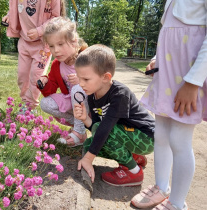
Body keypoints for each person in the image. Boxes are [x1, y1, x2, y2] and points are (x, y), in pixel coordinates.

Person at [131, 0, 207, 209]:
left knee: (179, 140)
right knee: (161, 134)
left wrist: (193, 82)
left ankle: (177, 203)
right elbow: (169, 31)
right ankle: (162, 187)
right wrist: (158, 58)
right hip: (167, 74)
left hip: (188, 77)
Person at [73, 44, 155, 186]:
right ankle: (133, 157)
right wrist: (85, 119)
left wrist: (88, 159)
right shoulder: (92, 96)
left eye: (85, 79)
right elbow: (96, 128)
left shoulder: (120, 94)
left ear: (106, 77)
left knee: (98, 141)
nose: (81, 84)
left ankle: (134, 172)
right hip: (126, 135)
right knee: (88, 145)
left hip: (146, 137)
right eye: (79, 78)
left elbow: (104, 128)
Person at [2, 0, 66, 110]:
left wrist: (40, 31)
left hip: (42, 46)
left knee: (36, 77)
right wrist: (9, 16)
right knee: (22, 75)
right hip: (24, 42)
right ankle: (25, 103)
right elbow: (16, 9)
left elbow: (57, 18)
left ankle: (30, 107)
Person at [37, 17, 88, 147]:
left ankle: (79, 132)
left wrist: (83, 80)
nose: (56, 50)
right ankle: (79, 125)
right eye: (52, 46)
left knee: (77, 89)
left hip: (91, 103)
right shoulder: (57, 65)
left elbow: (100, 81)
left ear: (74, 42)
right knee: (45, 104)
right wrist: (44, 82)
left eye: (60, 44)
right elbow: (52, 89)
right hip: (72, 101)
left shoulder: (87, 58)